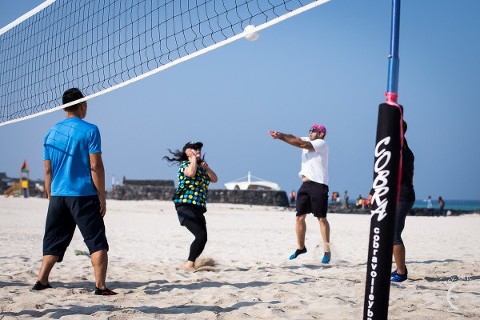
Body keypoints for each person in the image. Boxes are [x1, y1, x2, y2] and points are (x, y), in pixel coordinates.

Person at [33, 88, 116, 295]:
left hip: (58, 195)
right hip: (82, 194)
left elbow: (47, 169)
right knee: (97, 242)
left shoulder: (51, 133)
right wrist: (102, 196)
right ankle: (101, 286)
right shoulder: (90, 130)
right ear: (82, 105)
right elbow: (95, 166)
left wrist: (51, 196)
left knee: (53, 240)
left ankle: (42, 280)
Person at [269, 124, 331, 264]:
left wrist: (282, 137)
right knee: (299, 217)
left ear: (321, 134)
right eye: (309, 130)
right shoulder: (307, 140)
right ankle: (301, 247)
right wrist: (281, 136)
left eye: (313, 131)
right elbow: (294, 138)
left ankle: (327, 250)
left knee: (321, 219)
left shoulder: (321, 144)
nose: (310, 132)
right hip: (305, 185)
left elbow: (301, 144)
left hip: (319, 185)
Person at [367, 119, 415, 283]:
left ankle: (401, 273)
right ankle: (399, 268)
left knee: (394, 235)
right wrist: (373, 191)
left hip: (403, 196)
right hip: (394, 196)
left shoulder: (400, 149)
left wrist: (373, 192)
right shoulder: (399, 148)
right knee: (389, 234)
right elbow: (384, 173)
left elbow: (386, 174)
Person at [163, 141, 218, 270]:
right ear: (188, 152)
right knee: (199, 235)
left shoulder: (202, 169)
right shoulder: (185, 165)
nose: (198, 150)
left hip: (198, 208)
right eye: (194, 149)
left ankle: (191, 262)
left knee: (203, 238)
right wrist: (193, 158)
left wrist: (207, 168)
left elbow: (215, 179)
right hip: (185, 206)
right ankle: (189, 264)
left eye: (199, 148)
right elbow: (191, 173)